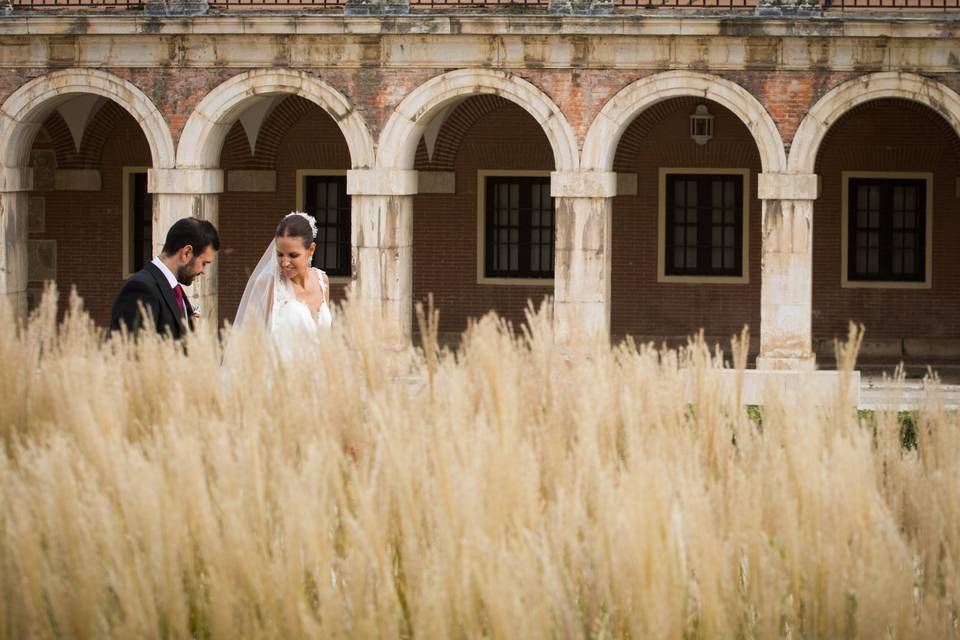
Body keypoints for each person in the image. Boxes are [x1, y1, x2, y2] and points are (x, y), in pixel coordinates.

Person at [110, 217, 220, 339]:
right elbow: (131, 351)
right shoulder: (140, 289)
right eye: (204, 263)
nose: (203, 271)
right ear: (186, 253)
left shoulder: (174, 289)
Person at [233, 212, 332, 343]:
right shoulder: (267, 283)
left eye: (293, 255)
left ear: (311, 249)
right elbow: (250, 342)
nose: (285, 262)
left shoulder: (322, 280)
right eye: (280, 254)